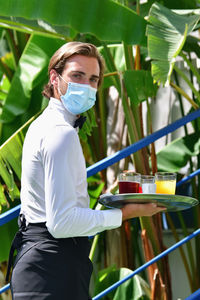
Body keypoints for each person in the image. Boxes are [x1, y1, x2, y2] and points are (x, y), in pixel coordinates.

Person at [7, 42, 166, 300]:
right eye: (77, 76)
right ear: (54, 78)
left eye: (93, 79)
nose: (86, 86)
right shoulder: (62, 133)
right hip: (53, 267)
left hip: (40, 263)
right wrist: (124, 214)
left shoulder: (42, 125)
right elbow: (61, 223)